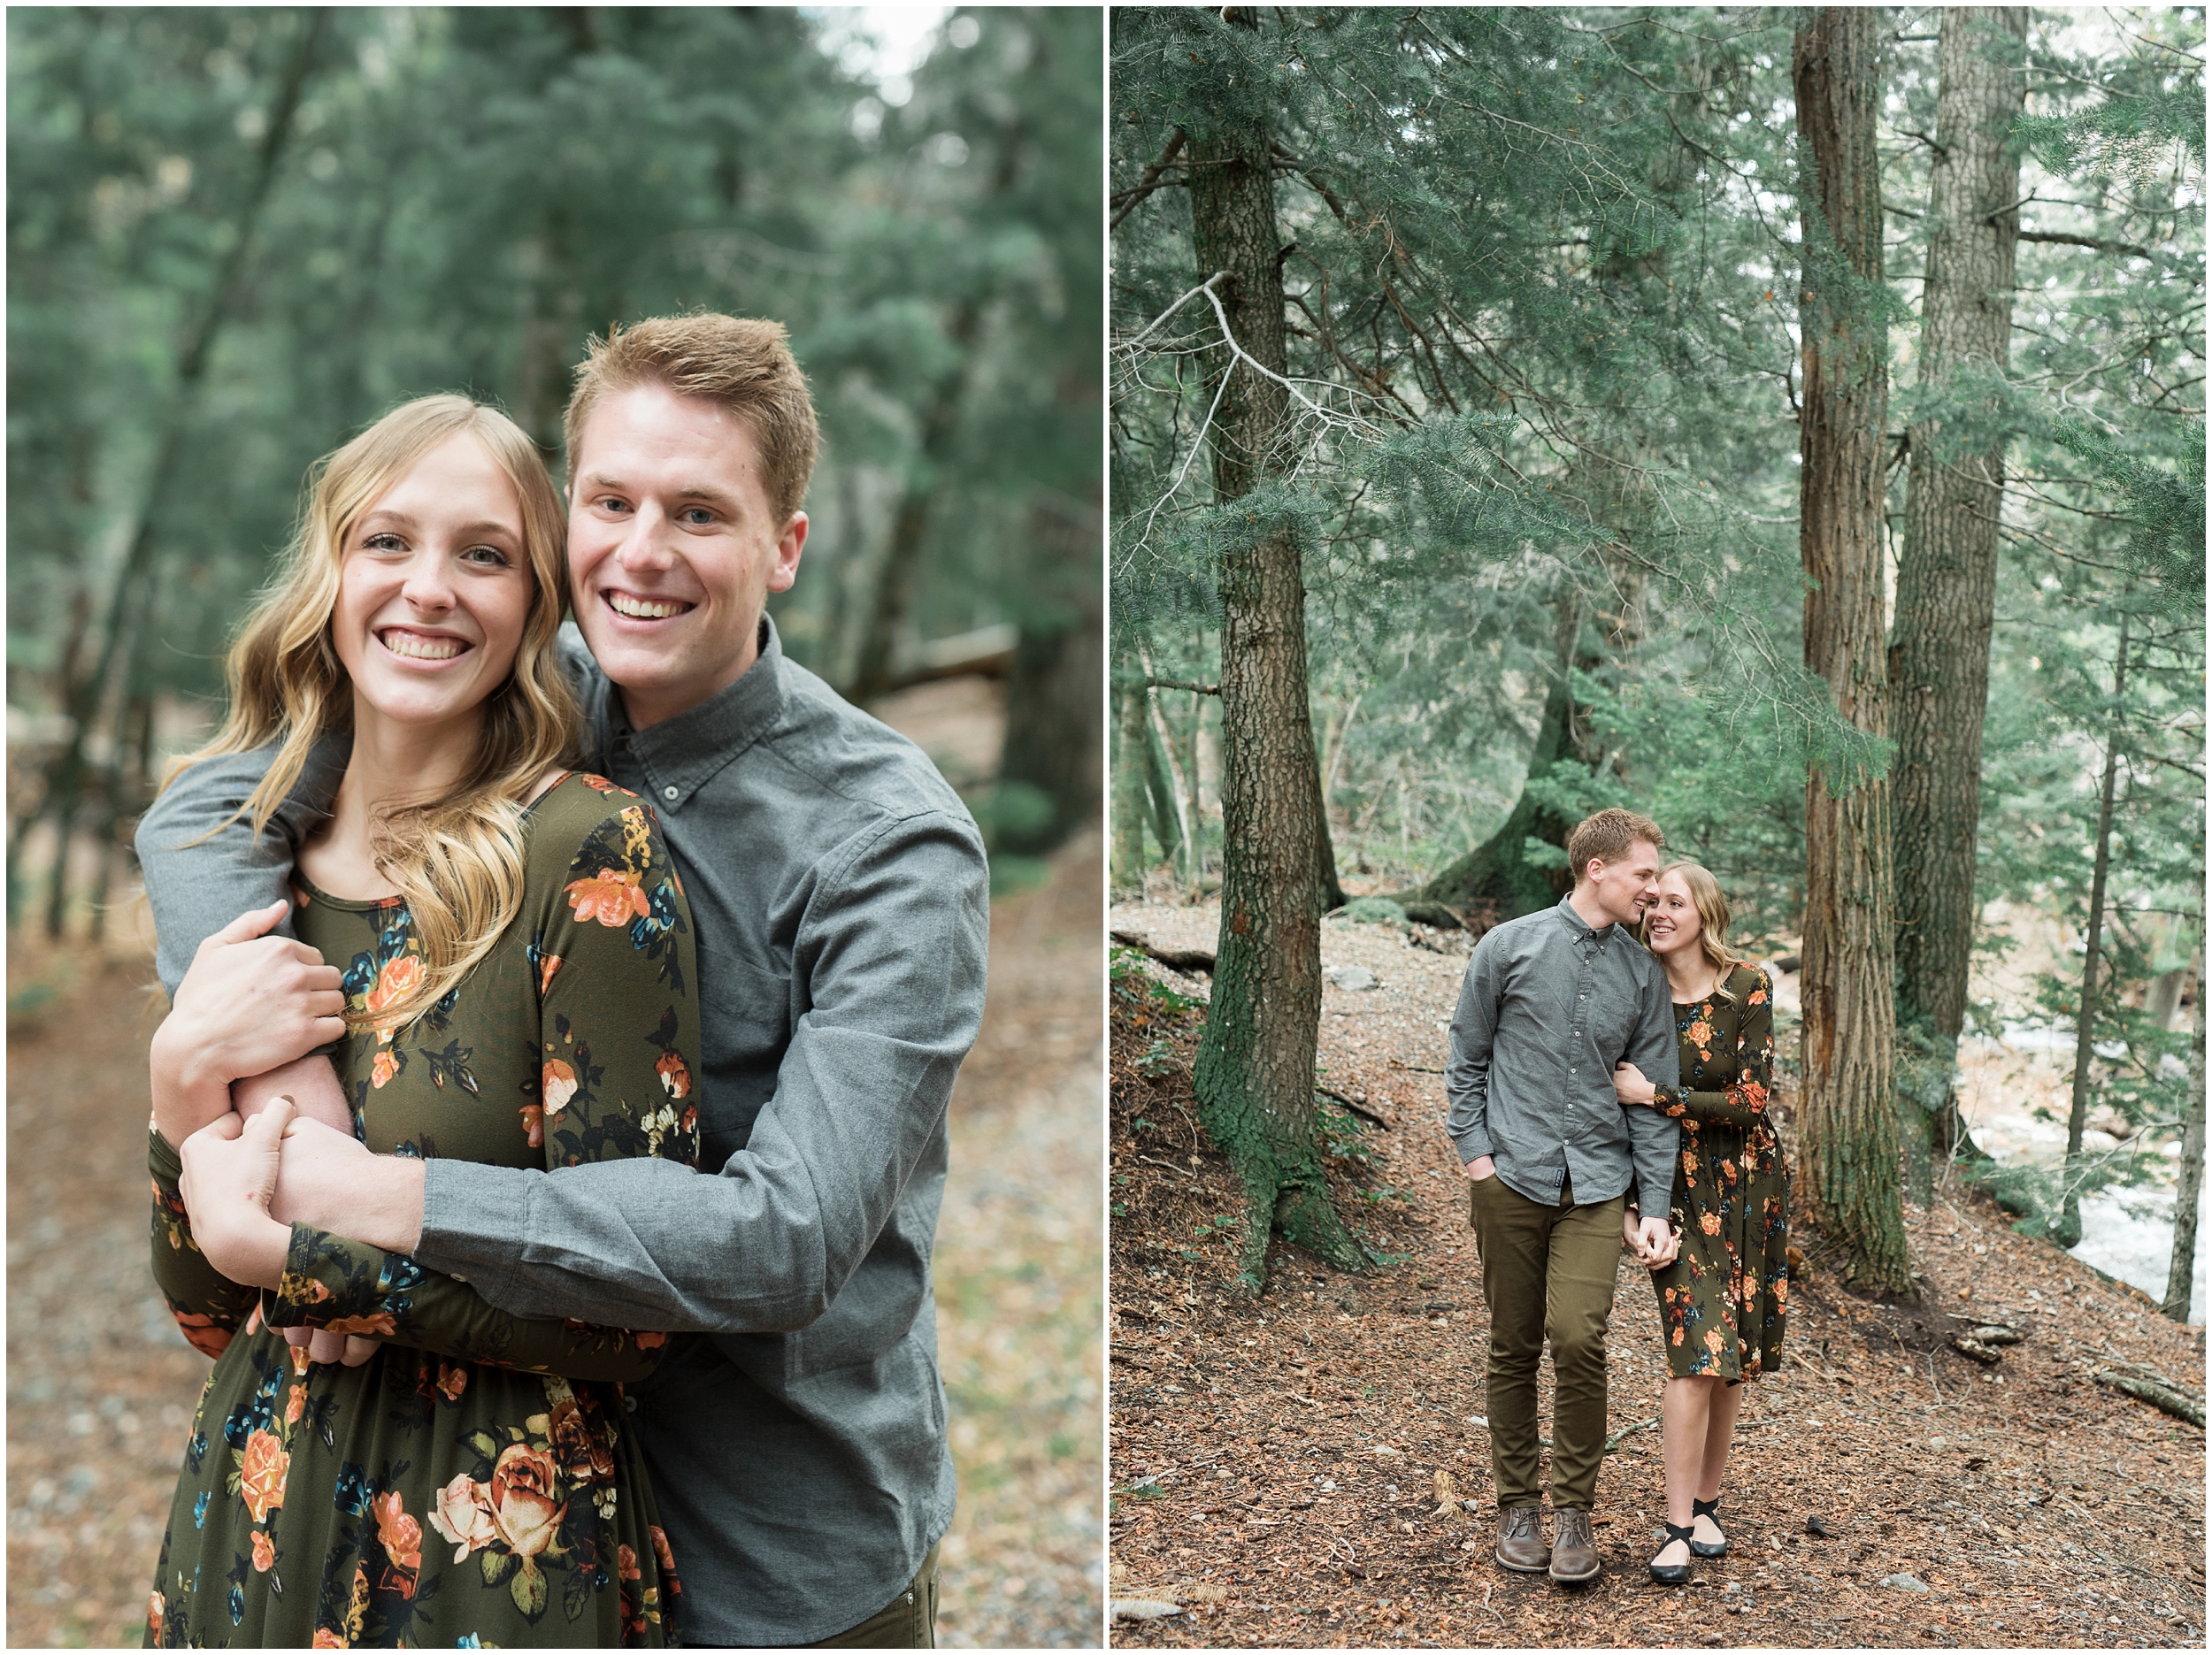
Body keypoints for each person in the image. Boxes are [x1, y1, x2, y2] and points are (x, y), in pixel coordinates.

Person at [137, 315, 992, 1648]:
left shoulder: (889, 841)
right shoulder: (528, 690)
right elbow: (205, 807)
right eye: (611, 501)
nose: (643, 552)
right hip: (466, 1513)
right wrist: (283, 1071)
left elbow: (789, 1240)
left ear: (786, 547)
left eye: (700, 511)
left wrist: (362, 1203)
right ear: (567, 520)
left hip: (768, 1547)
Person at [144, 394, 699, 1645]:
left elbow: (640, 1302)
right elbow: (202, 1311)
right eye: (387, 541)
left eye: (485, 553)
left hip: (498, 1555)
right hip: (253, 1524)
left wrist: (315, 1260)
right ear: (330, 570)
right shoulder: (250, 872)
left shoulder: (584, 851)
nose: (429, 587)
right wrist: (178, 1086)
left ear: (534, 602)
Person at [1446, 808, 1683, 1583]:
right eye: (1645, 874)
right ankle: (1519, 1505)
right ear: (1598, 870)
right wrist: (1478, 1159)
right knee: (1513, 1342)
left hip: (1596, 1188)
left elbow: (1648, 1101)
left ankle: (1575, 1512)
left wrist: (1652, 1206)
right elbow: (1467, 1056)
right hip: (1509, 1177)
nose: (1654, 889)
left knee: (1579, 1338)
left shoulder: (1644, 973)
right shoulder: (1508, 946)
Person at [1609, 862, 1788, 1584]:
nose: (1657, 912)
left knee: (1732, 1357)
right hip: (1673, 1186)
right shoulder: (1637, 990)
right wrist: (1632, 1204)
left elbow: (1751, 1100)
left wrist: (1657, 1093)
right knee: (1695, 1351)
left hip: (1750, 1185)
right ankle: (1678, 1524)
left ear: (1704, 912)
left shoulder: (1748, 985)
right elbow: (1610, 1107)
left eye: (1673, 902)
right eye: (1652, 902)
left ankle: (1709, 1503)